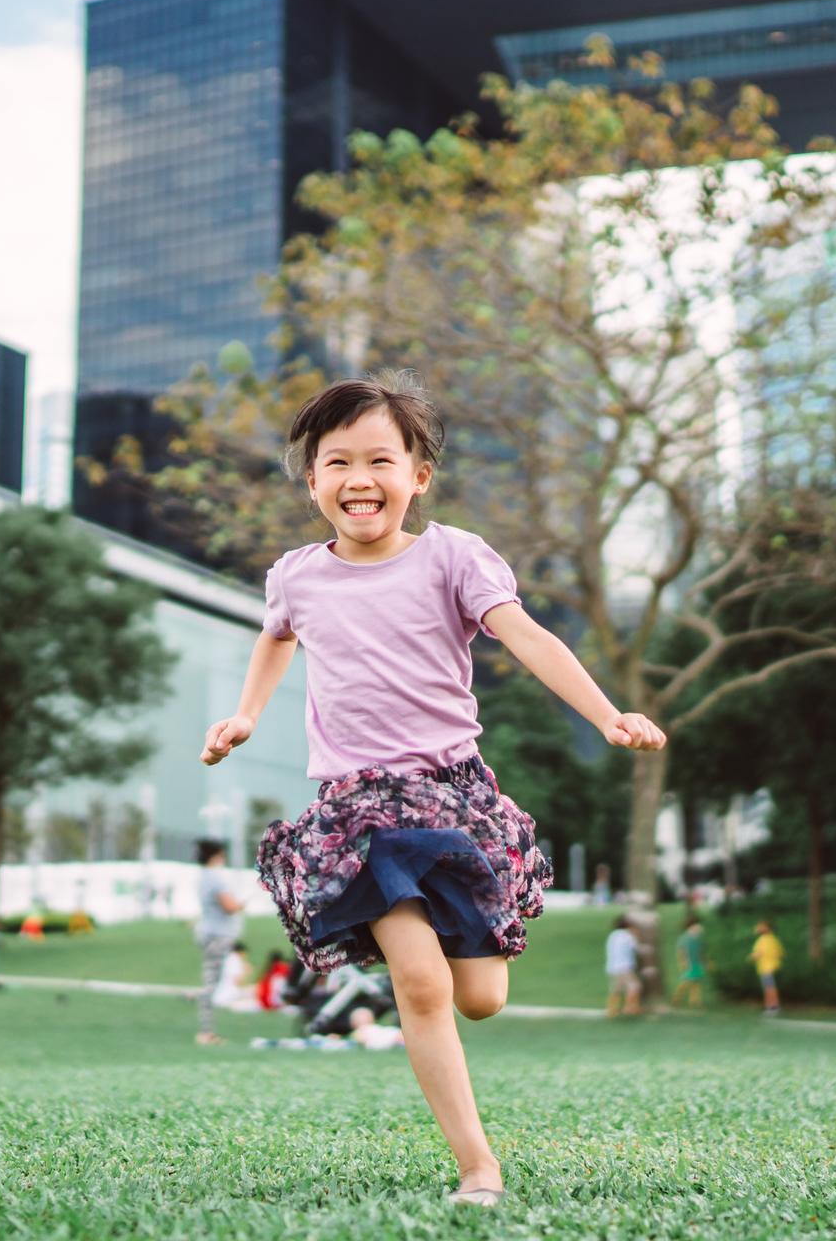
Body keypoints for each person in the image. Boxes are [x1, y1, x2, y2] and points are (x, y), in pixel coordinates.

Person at [199, 372, 666, 1207]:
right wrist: (244, 715)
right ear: (313, 482)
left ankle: (458, 962)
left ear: (417, 475)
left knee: (478, 998)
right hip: (359, 808)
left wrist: (605, 714)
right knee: (421, 985)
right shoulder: (297, 576)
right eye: (336, 461)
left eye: (381, 459)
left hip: (454, 796)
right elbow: (277, 638)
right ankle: (477, 1167)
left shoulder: (455, 557)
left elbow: (526, 635)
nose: (358, 479)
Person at [193, 838, 245, 1045]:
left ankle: (207, 1030)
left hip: (209, 933)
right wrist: (243, 903)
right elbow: (229, 906)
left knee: (211, 982)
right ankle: (206, 1031)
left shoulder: (204, 876)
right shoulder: (215, 878)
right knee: (211, 983)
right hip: (218, 935)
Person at [604, 916, 641, 1018]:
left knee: (616, 988)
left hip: (612, 966)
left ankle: (611, 1009)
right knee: (634, 986)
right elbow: (636, 948)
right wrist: (636, 935)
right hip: (625, 966)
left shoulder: (613, 935)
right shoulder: (628, 935)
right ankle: (630, 1007)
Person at [671, 914, 707, 1010]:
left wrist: (704, 961)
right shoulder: (685, 937)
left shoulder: (698, 938)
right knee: (686, 981)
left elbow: (700, 951)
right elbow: (681, 951)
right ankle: (676, 998)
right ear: (692, 926)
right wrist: (684, 962)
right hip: (688, 963)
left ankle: (695, 1001)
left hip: (696, 962)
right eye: (697, 925)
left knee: (696, 982)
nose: (699, 927)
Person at [212, 941, 261, 1011]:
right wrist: (246, 972)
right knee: (256, 989)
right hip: (229, 995)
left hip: (221, 994)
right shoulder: (235, 961)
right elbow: (237, 982)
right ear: (241, 952)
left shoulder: (229, 959)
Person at [749, 920, 784, 1015]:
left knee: (769, 987)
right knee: (769, 986)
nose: (758, 928)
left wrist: (752, 957)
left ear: (767, 928)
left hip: (766, 967)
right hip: (771, 966)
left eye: (761, 926)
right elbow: (780, 954)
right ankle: (771, 1006)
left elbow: (758, 953)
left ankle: (773, 1007)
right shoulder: (774, 939)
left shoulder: (763, 940)